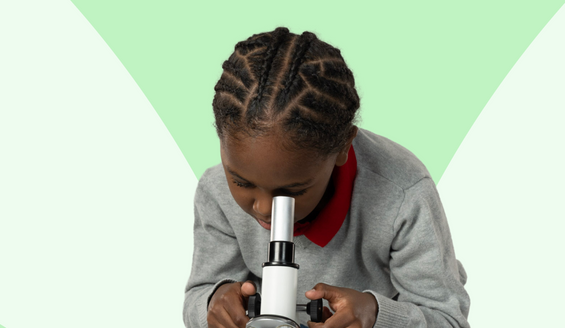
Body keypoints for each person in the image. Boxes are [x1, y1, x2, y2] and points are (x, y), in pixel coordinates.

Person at [182, 27, 470, 328]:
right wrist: (213, 303)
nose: (265, 209)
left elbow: (449, 319)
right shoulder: (215, 192)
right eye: (241, 182)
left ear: (343, 147)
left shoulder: (403, 192)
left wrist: (376, 315)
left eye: (292, 190)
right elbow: (197, 296)